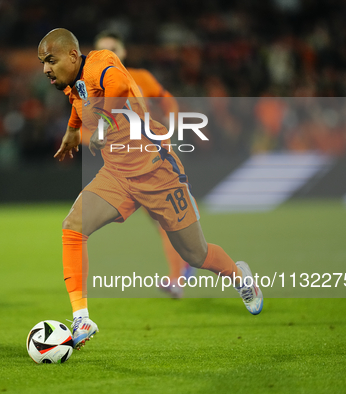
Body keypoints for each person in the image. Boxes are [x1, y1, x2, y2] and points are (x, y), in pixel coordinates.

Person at [37, 28, 263, 350]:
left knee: (196, 254)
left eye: (50, 60)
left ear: (73, 56)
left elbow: (117, 85)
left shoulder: (102, 61)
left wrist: (101, 124)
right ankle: (81, 317)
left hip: (158, 172)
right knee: (73, 226)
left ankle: (241, 278)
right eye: (42, 63)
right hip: (117, 175)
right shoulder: (72, 85)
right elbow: (79, 102)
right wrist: (72, 131)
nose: (45, 68)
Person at [94, 31, 194, 298]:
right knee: (163, 221)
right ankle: (184, 264)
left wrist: (172, 126)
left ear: (123, 52)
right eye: (101, 50)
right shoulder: (93, 86)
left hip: (149, 158)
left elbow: (167, 99)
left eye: (112, 48)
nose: (107, 55)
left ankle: (179, 276)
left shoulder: (141, 78)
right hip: (122, 164)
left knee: (165, 220)